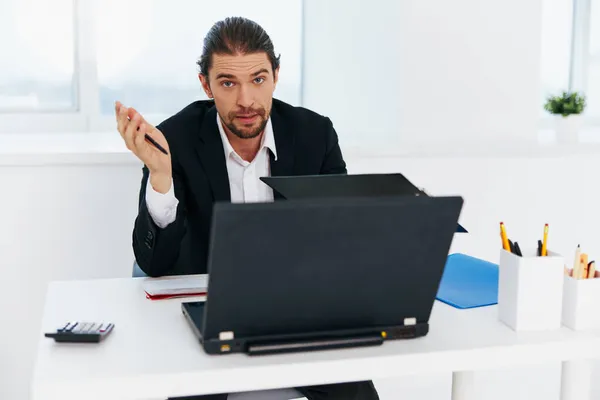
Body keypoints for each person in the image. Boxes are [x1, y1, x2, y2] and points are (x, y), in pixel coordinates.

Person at [116, 16, 379, 400]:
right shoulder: (175, 140)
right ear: (206, 85)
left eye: (258, 80)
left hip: (295, 314)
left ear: (275, 75)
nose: (245, 101)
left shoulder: (314, 134)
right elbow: (154, 265)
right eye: (227, 83)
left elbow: (340, 239)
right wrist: (160, 175)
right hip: (211, 318)